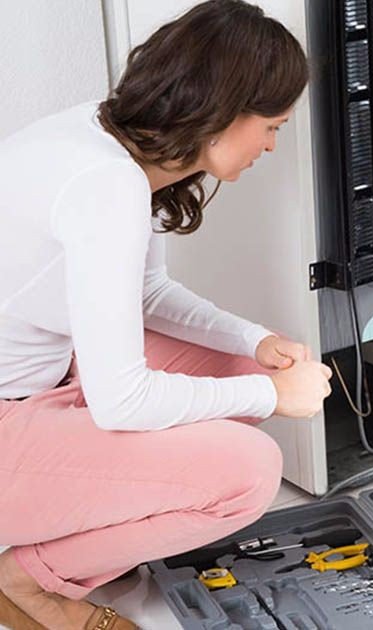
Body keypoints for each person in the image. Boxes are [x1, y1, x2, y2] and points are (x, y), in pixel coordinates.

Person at [0, 2, 333, 628]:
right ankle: (28, 580)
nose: (270, 145)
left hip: (49, 377)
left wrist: (254, 341)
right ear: (224, 113)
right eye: (272, 127)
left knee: (242, 369)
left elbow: (146, 293)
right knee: (250, 473)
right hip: (11, 419)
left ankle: (91, 528)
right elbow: (121, 402)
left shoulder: (104, 138)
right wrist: (270, 396)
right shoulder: (106, 187)